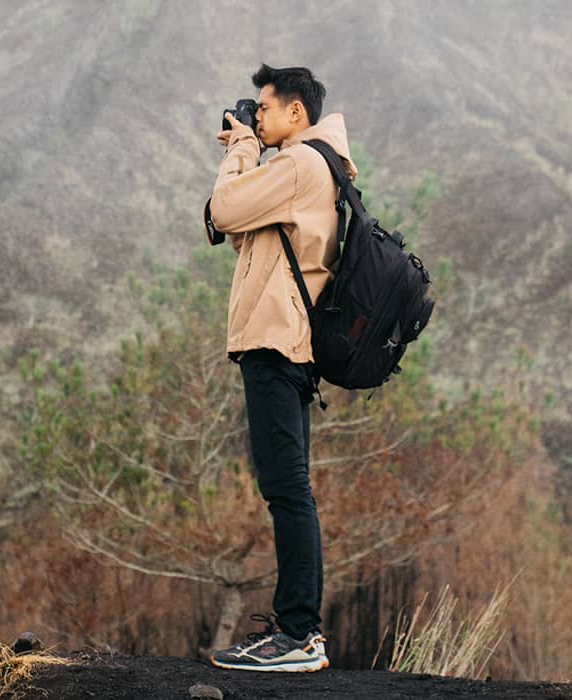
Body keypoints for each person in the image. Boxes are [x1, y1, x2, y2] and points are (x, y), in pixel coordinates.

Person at [203, 64, 357, 672]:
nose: (257, 119)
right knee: (291, 489)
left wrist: (241, 146)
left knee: (287, 491)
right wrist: (247, 149)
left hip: (275, 343)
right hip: (290, 343)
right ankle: (301, 632)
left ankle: (297, 634)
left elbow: (221, 209)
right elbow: (242, 234)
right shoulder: (318, 168)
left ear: (297, 112)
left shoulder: (298, 164)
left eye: (264, 110)